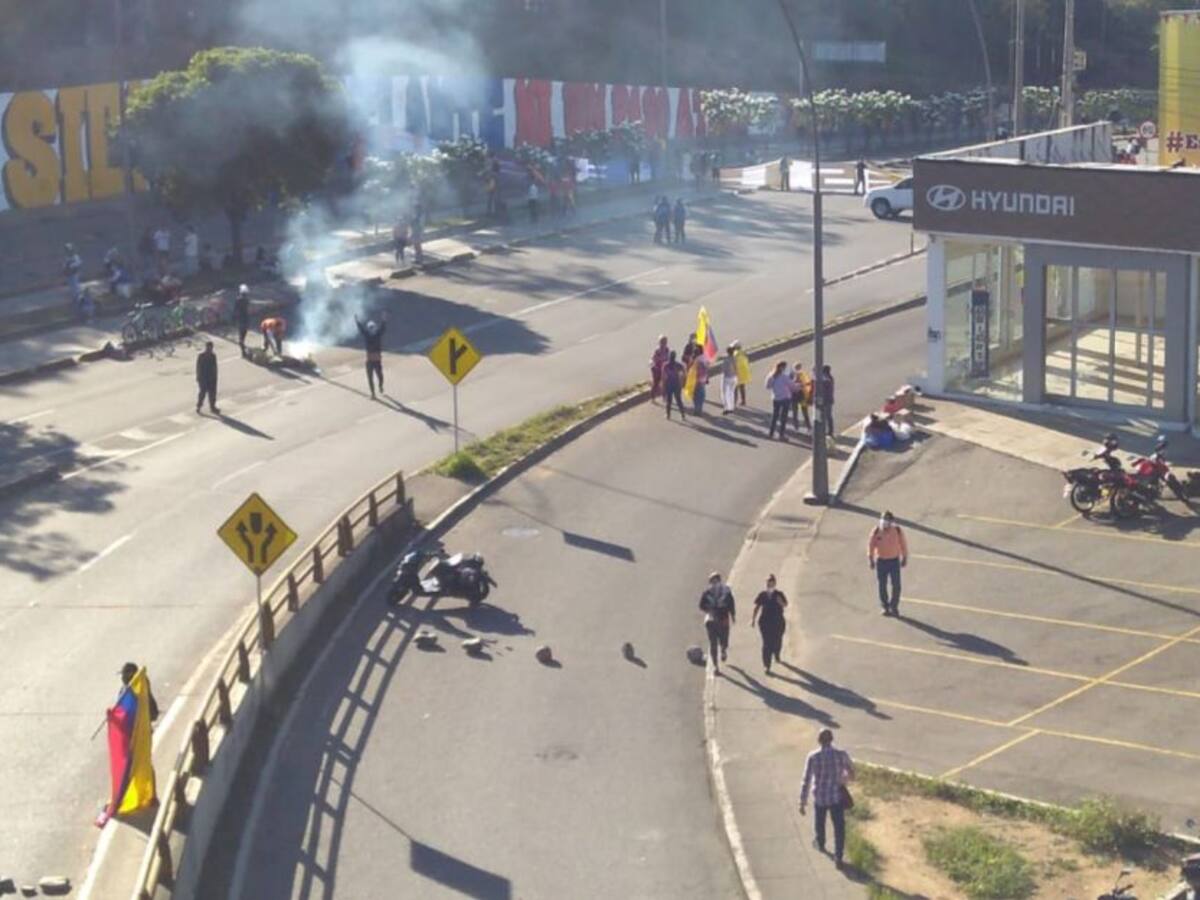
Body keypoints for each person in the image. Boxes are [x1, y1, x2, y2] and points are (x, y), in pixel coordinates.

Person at [799, 728, 855, 870]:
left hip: (820, 797)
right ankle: (838, 856)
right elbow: (852, 772)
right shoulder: (841, 755)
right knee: (839, 828)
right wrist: (844, 780)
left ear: (819, 740)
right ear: (832, 739)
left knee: (820, 822)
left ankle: (821, 842)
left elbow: (806, 779)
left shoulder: (813, 757)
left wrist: (802, 801)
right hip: (836, 796)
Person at [868, 510, 908, 616]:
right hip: (881, 561)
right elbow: (871, 545)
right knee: (882, 585)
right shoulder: (876, 531)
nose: (883, 521)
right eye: (882, 518)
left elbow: (903, 544)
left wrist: (904, 557)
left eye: (886, 519)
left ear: (891, 521)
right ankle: (885, 606)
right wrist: (871, 559)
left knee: (896, 585)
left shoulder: (897, 530)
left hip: (894, 561)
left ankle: (894, 606)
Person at [698, 572, 736, 675]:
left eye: (716, 581)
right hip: (711, 621)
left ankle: (723, 650)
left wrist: (733, 615)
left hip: (724, 619)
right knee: (713, 644)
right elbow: (701, 605)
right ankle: (716, 667)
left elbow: (731, 603)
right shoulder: (706, 593)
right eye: (712, 581)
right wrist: (708, 609)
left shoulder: (726, 591)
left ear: (720, 581)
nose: (714, 583)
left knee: (724, 640)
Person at [751, 574, 788, 673]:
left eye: (772, 584)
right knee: (766, 644)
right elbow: (757, 607)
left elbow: (785, 605)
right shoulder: (762, 595)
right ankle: (766, 665)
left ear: (775, 584)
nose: (770, 586)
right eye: (768, 584)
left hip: (778, 622)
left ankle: (777, 654)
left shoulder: (779, 594)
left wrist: (780, 602)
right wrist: (753, 619)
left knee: (777, 641)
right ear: (766, 584)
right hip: (765, 622)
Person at [356, 312, 388, 399]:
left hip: (377, 360)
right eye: (370, 328)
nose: (372, 329)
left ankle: (380, 386)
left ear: (375, 327)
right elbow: (361, 329)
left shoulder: (378, 334)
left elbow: (383, 328)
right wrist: (357, 321)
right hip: (370, 360)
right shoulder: (367, 335)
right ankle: (373, 393)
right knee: (370, 378)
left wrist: (384, 319)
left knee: (380, 376)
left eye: (373, 327)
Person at [765, 360, 793, 440]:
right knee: (783, 417)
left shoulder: (771, 375)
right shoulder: (784, 377)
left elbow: (768, 386)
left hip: (776, 398)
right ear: (782, 367)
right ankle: (781, 435)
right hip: (785, 398)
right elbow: (792, 386)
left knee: (775, 416)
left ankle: (771, 433)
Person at [195, 341, 220, 414]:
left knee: (212, 394)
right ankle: (199, 406)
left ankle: (212, 407)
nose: (210, 349)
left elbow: (215, 367)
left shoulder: (213, 356)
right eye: (208, 347)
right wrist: (198, 377)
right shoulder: (201, 356)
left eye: (211, 347)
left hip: (211, 378)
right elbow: (198, 367)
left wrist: (215, 377)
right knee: (202, 393)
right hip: (203, 378)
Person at [815, 364, 835, 443]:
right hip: (829, 400)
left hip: (826, 400)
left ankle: (828, 431)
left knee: (824, 416)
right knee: (828, 416)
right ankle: (829, 431)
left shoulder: (826, 380)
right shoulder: (830, 378)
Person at [663, 350, 686, 420]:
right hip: (676, 384)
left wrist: (663, 386)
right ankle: (682, 414)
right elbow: (684, 373)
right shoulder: (678, 365)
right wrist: (682, 382)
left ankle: (668, 414)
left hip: (669, 384)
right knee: (678, 400)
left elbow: (664, 376)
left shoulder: (666, 365)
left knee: (669, 401)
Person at [791, 362, 812, 431]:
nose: (797, 369)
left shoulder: (803, 374)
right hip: (795, 395)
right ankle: (796, 427)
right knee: (795, 412)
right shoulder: (791, 375)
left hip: (802, 394)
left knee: (804, 412)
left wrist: (802, 384)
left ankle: (808, 427)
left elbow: (808, 383)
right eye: (796, 367)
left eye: (798, 367)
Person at [649, 335, 670, 403]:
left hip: (664, 369)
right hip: (657, 370)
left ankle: (664, 397)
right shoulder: (657, 351)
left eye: (665, 342)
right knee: (656, 383)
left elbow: (668, 358)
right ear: (660, 342)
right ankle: (652, 398)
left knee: (665, 383)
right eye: (662, 342)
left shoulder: (667, 349)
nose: (664, 343)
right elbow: (653, 360)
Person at [720, 344, 738, 414]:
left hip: (727, 377)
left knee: (724, 393)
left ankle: (726, 408)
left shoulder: (726, 360)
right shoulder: (734, 358)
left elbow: (724, 370)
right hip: (734, 377)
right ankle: (731, 407)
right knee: (731, 393)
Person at [234, 284, 251, 356]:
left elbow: (235, 309)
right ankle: (243, 349)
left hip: (240, 319)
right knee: (243, 335)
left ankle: (243, 350)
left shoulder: (238, 300)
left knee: (241, 336)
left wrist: (234, 318)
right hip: (245, 319)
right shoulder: (246, 300)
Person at [732, 341, 751, 406]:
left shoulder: (735, 354)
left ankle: (734, 402)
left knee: (734, 388)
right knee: (742, 387)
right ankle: (743, 401)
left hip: (737, 373)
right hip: (744, 373)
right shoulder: (744, 353)